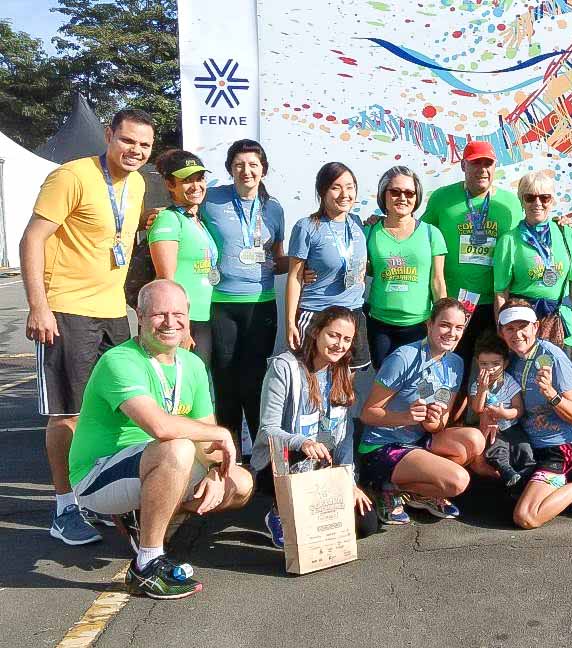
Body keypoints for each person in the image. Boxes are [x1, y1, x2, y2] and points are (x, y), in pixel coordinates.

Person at [69, 280, 253, 599]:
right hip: (98, 475)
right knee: (176, 447)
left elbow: (207, 444)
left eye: (178, 314)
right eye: (159, 314)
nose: (170, 322)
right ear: (139, 316)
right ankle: (146, 565)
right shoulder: (119, 361)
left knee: (241, 482)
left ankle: (142, 516)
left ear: (188, 316)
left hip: (154, 465)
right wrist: (221, 433)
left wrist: (215, 472)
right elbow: (160, 427)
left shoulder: (192, 364)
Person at [21, 108, 154, 545]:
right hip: (66, 309)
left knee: (115, 410)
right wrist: (39, 307)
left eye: (144, 145)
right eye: (128, 140)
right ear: (109, 135)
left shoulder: (136, 184)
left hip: (113, 312)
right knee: (69, 414)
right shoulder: (71, 176)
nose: (135, 150)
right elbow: (32, 239)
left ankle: (96, 496)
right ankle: (64, 507)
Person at [251, 305, 375, 545]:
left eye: (347, 339)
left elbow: (345, 436)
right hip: (287, 461)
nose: (340, 345)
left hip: (323, 465)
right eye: (333, 335)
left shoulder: (343, 370)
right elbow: (267, 430)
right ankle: (278, 511)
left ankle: (309, 511)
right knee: (300, 455)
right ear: (316, 332)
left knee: (366, 522)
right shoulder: (284, 367)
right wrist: (302, 442)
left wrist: (348, 482)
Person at [358, 299, 484, 519]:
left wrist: (432, 420)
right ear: (429, 324)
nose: (451, 333)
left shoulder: (455, 363)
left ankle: (418, 492)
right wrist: (405, 417)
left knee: (475, 439)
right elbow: (367, 413)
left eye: (458, 327)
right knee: (458, 481)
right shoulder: (403, 357)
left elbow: (439, 425)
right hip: (383, 445)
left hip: (418, 441)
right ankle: (384, 487)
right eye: (445, 325)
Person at [199, 139, 287, 452]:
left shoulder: (274, 208)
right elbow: (185, 214)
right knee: (224, 378)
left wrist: (306, 266)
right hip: (221, 302)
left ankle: (260, 455)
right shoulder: (211, 199)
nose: (246, 171)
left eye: (252, 165)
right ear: (230, 169)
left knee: (254, 379)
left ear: (263, 170)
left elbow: (278, 259)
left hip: (261, 304)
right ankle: (229, 451)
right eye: (239, 165)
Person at [497, 301, 572, 528]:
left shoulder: (553, 357)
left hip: (561, 448)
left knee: (526, 516)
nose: (517, 334)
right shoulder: (510, 359)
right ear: (501, 332)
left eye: (523, 327)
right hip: (529, 447)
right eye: (510, 328)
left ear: (536, 327)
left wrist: (551, 394)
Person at [423, 141, 524, 376]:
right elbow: (418, 234)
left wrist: (561, 224)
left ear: (495, 167)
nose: (482, 169)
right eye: (475, 163)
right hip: (453, 303)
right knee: (448, 370)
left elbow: (528, 234)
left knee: (491, 372)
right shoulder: (442, 198)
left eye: (488, 163)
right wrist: (383, 222)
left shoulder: (510, 203)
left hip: (493, 304)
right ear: (463, 165)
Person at [284, 162, 371, 369]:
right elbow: (295, 277)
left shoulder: (359, 224)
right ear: (322, 191)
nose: (344, 194)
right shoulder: (306, 226)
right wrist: (290, 322)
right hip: (318, 314)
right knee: (312, 380)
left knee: (346, 382)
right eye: (336, 187)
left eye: (350, 187)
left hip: (353, 314)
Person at [364, 166, 448, 367]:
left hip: (419, 325)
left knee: (417, 383)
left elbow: (438, 281)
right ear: (383, 195)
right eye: (395, 192)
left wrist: (443, 323)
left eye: (409, 193)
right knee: (384, 380)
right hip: (380, 325)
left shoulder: (431, 233)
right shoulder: (369, 231)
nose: (402, 198)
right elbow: (358, 270)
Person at [493, 171, 572, 350]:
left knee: (560, 367)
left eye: (544, 198)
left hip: (561, 322)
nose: (537, 203)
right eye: (530, 198)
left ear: (552, 201)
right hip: (522, 324)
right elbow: (501, 293)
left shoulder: (566, 233)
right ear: (521, 201)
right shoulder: (509, 240)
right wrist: (503, 332)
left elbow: (571, 285)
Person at [148, 150, 215, 367]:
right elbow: (165, 279)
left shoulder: (197, 219)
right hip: (184, 319)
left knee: (199, 380)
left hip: (204, 316)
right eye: (187, 181)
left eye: (200, 179)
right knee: (180, 382)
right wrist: (180, 326)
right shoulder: (167, 220)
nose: (196, 186)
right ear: (170, 184)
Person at [468, 333, 527, 486]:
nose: (490, 369)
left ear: (505, 363)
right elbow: (477, 408)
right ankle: (507, 472)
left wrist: (505, 413)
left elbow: (519, 409)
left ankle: (527, 474)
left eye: (495, 364)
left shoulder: (509, 383)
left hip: (511, 426)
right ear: (477, 363)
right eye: (484, 364)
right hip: (492, 428)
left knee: (523, 447)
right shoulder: (477, 385)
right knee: (496, 447)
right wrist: (482, 389)